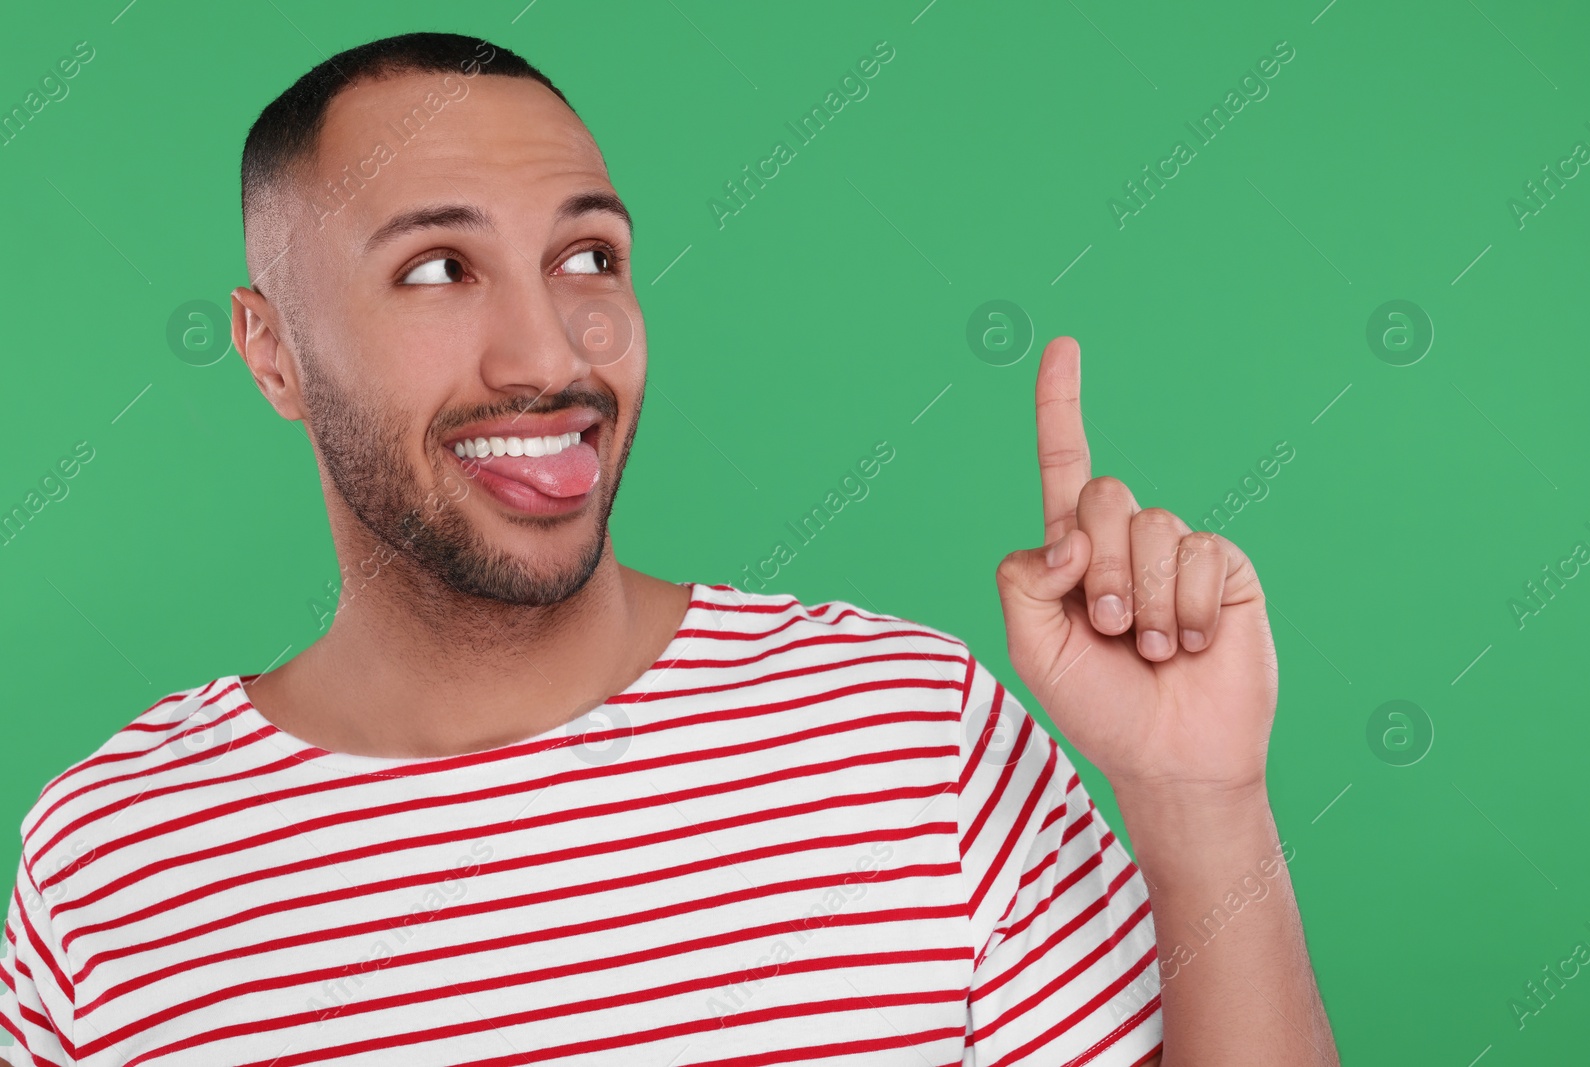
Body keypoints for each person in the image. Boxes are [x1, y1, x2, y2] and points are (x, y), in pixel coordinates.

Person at [0, 32, 1337, 1067]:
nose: (549, 356)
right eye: (434, 272)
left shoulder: (906, 734)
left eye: (588, 258)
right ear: (271, 349)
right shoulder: (111, 861)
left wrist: (1205, 808)